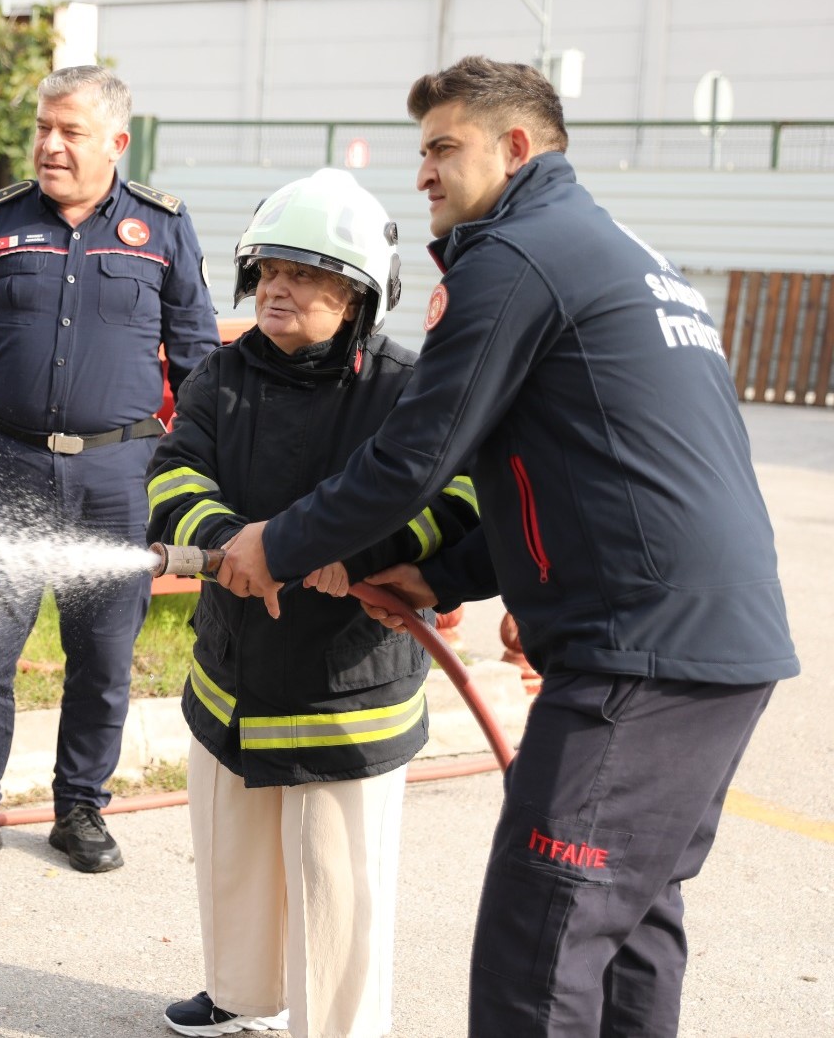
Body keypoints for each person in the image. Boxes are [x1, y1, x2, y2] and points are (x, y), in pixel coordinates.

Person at [216, 56, 799, 1036]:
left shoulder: (514, 256)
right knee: (631, 922)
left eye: (443, 148)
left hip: (637, 657)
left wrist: (277, 543)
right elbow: (581, 471)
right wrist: (439, 573)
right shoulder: (621, 252)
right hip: (715, 648)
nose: (423, 173)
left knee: (543, 940)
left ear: (515, 146)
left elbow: (415, 456)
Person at [147, 168, 481, 1038]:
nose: (277, 288)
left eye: (305, 274)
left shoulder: (406, 388)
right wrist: (227, 543)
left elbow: (457, 499)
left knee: (340, 882)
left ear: (358, 295)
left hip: (347, 685)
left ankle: (339, 1029)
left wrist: (361, 553)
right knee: (233, 850)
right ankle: (239, 993)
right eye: (268, 271)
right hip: (234, 669)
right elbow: (174, 473)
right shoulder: (222, 373)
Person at [0, 65, 221, 877]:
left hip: (120, 477)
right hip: (1, 466)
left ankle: (80, 809)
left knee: (103, 659)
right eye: (43, 127)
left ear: (116, 142)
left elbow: (199, 361)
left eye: (71, 131)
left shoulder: (163, 228)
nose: (50, 145)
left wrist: (207, 478)